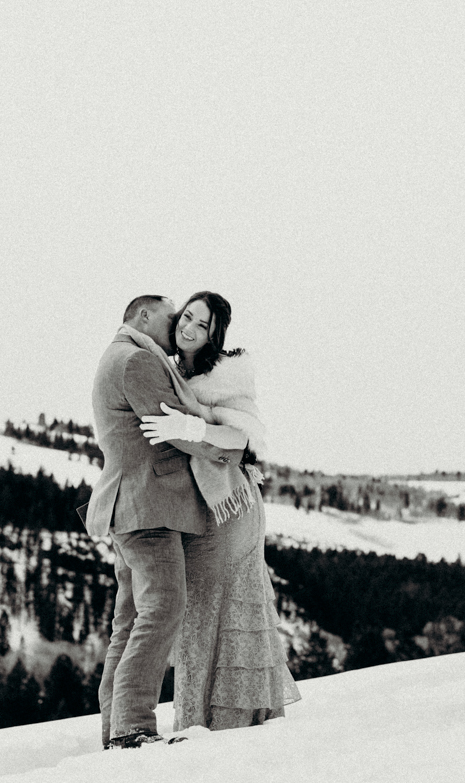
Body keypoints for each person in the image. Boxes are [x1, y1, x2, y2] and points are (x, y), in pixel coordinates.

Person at [84, 295, 251, 749]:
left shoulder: (120, 355)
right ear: (143, 315)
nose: (178, 323)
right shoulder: (137, 361)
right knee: (163, 608)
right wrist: (232, 447)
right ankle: (132, 726)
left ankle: (115, 728)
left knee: (132, 618)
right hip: (145, 508)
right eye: (172, 314)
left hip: (134, 506)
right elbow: (174, 429)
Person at [139, 291, 301, 731]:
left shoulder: (226, 376)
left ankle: (218, 723)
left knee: (219, 608)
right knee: (201, 611)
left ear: (215, 336)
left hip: (231, 510)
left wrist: (192, 425)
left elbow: (247, 439)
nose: (189, 327)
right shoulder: (172, 370)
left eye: (202, 325)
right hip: (201, 510)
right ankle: (202, 719)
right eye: (187, 317)